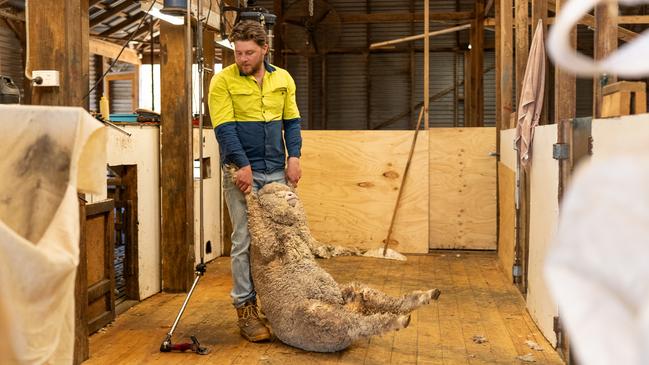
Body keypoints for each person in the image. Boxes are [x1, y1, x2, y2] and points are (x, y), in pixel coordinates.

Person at [208, 20, 303, 342]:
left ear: (264, 49)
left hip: (277, 170)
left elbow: (291, 122)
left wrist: (295, 157)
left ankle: (280, 305)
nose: (243, 59)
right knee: (244, 241)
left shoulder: (283, 79)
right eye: (238, 53)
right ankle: (245, 309)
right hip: (241, 172)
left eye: (249, 52)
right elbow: (224, 129)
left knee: (281, 240)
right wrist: (242, 165)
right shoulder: (222, 82)